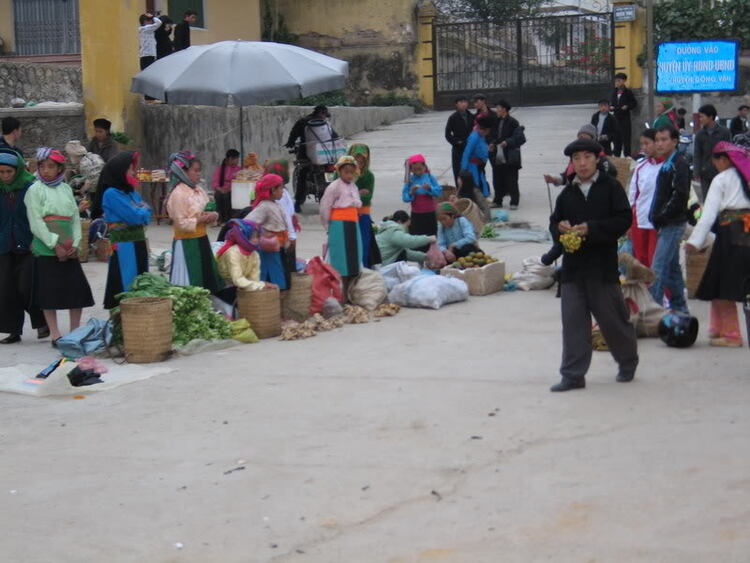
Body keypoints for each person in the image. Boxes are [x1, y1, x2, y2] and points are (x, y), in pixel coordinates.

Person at [548, 138, 637, 392]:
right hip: (573, 269)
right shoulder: (567, 193)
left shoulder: (611, 188)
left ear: (597, 159)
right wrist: (560, 228)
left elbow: (623, 219)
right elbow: (554, 222)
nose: (582, 163)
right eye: (577, 159)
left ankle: (627, 361)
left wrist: (592, 229)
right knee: (573, 322)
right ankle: (573, 374)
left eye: (587, 157)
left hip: (602, 267)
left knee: (613, 320)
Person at [25, 148, 94, 345]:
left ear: (59, 168)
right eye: (42, 166)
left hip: (68, 245)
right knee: (49, 293)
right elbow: (36, 222)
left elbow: (74, 218)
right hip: (46, 247)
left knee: (76, 291)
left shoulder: (65, 189)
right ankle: (56, 334)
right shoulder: (34, 190)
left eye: (51, 166)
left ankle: (74, 332)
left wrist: (74, 244)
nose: (46, 170)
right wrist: (54, 243)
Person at [685, 141, 750, 347]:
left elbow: (708, 216)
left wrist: (694, 241)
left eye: (715, 161)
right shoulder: (746, 179)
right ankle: (716, 328)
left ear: (723, 160)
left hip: (729, 234)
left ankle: (731, 334)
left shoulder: (721, 179)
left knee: (723, 284)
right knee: (724, 281)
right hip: (746, 233)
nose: (714, 165)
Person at [0, 148, 48, 343]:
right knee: (6, 289)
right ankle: (13, 330)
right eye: (1, 172)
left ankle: (42, 322)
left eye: (9, 172)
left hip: (28, 245)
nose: (5, 176)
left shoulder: (31, 188)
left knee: (26, 286)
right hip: (4, 245)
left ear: (18, 170)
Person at [100, 151, 152, 309]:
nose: (133, 173)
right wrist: (141, 211)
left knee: (141, 282)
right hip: (124, 246)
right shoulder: (111, 194)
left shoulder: (131, 192)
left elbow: (148, 214)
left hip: (138, 242)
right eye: (130, 169)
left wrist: (140, 212)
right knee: (126, 284)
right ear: (120, 171)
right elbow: (135, 217)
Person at [165, 152, 222, 293]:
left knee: (206, 277)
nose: (198, 174)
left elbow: (208, 208)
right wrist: (199, 220)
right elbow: (180, 223)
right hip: (186, 243)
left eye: (199, 171)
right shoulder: (178, 194)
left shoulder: (199, 190)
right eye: (195, 171)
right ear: (182, 171)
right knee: (189, 281)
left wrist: (214, 215)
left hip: (201, 239)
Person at [649, 125, 690, 313]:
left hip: (672, 223)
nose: (659, 144)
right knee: (672, 269)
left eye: (664, 139)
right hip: (665, 223)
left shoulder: (679, 164)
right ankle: (680, 308)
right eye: (657, 140)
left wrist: (661, 216)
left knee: (657, 269)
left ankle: (652, 312)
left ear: (674, 142)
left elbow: (680, 196)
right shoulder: (666, 164)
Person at [245, 174, 293, 290]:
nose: (283, 191)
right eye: (281, 188)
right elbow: (247, 222)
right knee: (271, 274)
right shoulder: (265, 206)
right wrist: (261, 233)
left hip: (278, 248)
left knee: (277, 272)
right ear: (273, 190)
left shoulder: (275, 204)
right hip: (269, 249)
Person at [320, 156, 363, 278]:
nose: (349, 175)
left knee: (353, 252)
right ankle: (340, 279)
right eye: (346, 172)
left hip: (353, 222)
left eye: (352, 172)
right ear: (339, 172)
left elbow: (357, 202)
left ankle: (352, 277)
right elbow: (325, 206)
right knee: (340, 254)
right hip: (339, 224)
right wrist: (327, 224)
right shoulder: (334, 186)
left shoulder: (353, 187)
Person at [285, 105, 333, 212]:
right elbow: (333, 136)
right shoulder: (326, 124)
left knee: (302, 176)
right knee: (331, 173)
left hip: (306, 154)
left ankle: (297, 203)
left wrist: (290, 143)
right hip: (325, 154)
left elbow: (293, 134)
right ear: (322, 113)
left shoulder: (303, 121)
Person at [216, 219, 272, 308]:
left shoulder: (254, 254)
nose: (257, 240)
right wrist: (262, 285)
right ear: (243, 237)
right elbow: (237, 280)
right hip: (223, 287)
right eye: (253, 237)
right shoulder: (232, 253)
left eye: (258, 237)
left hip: (239, 285)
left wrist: (259, 286)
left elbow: (254, 278)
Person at [628, 128, 660, 267]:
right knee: (641, 259)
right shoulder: (640, 167)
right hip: (639, 220)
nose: (644, 148)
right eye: (642, 144)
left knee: (656, 260)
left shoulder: (667, 167)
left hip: (657, 222)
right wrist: (629, 222)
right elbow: (632, 196)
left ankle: (658, 289)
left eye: (647, 143)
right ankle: (644, 288)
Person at [348, 143, 381, 267]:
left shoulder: (368, 176)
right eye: (356, 160)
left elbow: (367, 198)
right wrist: (358, 192)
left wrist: (351, 194)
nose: (359, 164)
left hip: (363, 215)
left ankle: (364, 272)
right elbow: (337, 194)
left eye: (362, 161)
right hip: (346, 216)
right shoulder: (340, 172)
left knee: (363, 245)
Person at [490, 99, 525, 209]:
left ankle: (514, 202)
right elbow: (492, 135)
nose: (497, 110)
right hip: (498, 154)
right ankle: (498, 201)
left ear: (504, 109)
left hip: (509, 155)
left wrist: (507, 142)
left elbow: (519, 138)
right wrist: (491, 143)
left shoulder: (513, 122)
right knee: (497, 178)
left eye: (498, 107)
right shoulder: (496, 121)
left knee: (512, 179)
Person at [694, 104, 732, 201]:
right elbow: (697, 154)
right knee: (708, 200)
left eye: (702, 116)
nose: (700, 119)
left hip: (721, 172)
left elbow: (729, 152)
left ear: (710, 117)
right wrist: (696, 172)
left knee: (722, 200)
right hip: (705, 172)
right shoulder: (700, 134)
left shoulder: (724, 132)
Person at [402, 153, 442, 238]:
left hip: (430, 213)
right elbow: (404, 197)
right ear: (411, 170)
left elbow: (439, 192)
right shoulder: (410, 180)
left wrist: (430, 188)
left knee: (432, 235)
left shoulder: (430, 177)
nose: (418, 172)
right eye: (415, 170)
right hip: (416, 214)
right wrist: (411, 192)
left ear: (424, 167)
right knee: (417, 236)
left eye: (419, 169)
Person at [460, 116, 493, 199]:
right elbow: (466, 153)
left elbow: (481, 149)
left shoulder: (481, 136)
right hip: (472, 167)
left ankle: (481, 200)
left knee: (481, 183)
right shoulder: (474, 137)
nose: (488, 133)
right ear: (484, 129)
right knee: (475, 185)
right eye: (488, 131)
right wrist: (463, 169)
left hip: (479, 166)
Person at [445, 95, 475, 185]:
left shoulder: (472, 116)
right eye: (461, 102)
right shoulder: (453, 118)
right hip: (458, 149)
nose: (463, 104)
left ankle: (472, 191)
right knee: (458, 171)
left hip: (471, 147)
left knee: (472, 170)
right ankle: (460, 192)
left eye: (465, 102)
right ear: (456, 104)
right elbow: (447, 134)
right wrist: (457, 142)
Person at [610, 73, 637, 157]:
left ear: (624, 81)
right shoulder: (614, 92)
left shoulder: (628, 92)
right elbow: (612, 102)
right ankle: (617, 158)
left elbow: (634, 103)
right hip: (616, 118)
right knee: (616, 140)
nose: (617, 83)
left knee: (626, 140)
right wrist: (611, 106)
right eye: (616, 81)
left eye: (619, 81)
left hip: (625, 119)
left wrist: (627, 106)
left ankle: (627, 158)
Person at [212, 149, 241, 224]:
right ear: (230, 159)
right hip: (221, 190)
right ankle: (220, 218)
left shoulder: (239, 170)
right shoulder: (220, 169)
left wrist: (229, 189)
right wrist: (220, 189)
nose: (238, 161)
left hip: (233, 190)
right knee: (218, 195)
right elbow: (215, 183)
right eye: (236, 159)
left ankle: (228, 219)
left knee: (227, 196)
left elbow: (239, 182)